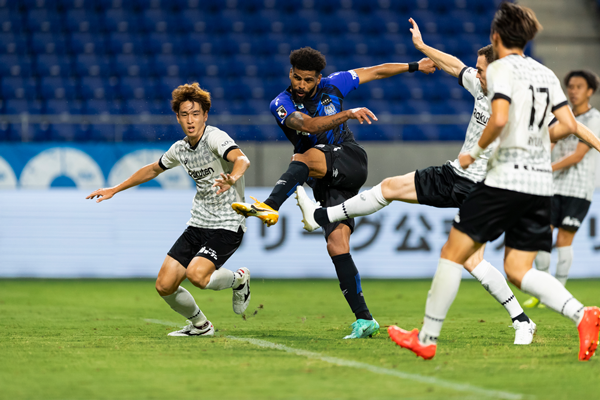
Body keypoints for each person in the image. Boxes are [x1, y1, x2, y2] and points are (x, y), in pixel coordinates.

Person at [295, 19, 535, 344]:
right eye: (477, 69)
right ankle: (521, 321)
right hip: (456, 176)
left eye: (481, 69)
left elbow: (558, 127)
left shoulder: (518, 100)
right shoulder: (481, 86)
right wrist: (422, 50)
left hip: (487, 186)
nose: (475, 73)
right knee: (391, 187)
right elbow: (455, 66)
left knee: (468, 258)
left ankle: (521, 320)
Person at [386, 2, 600, 361]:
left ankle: (426, 337)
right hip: (540, 185)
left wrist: (474, 152)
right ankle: (584, 315)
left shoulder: (499, 71)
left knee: (453, 253)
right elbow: (571, 125)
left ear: (496, 37)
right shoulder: (545, 74)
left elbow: (498, 119)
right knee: (518, 268)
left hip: (505, 179)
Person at [231, 47, 437, 339]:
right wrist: (348, 113)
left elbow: (376, 70)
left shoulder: (335, 83)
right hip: (325, 179)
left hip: (349, 159)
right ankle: (365, 320)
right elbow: (309, 125)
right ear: (290, 73)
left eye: (308, 80)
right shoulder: (281, 102)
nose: (301, 85)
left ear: (318, 78)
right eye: (297, 78)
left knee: (300, 159)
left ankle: (270, 205)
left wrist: (415, 66)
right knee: (337, 245)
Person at [87, 83, 252, 337]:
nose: (190, 120)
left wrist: (233, 176)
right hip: (198, 223)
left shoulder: (215, 138)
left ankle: (239, 279)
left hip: (228, 222)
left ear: (205, 115)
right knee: (164, 285)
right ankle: (201, 326)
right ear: (177, 117)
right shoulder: (180, 149)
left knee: (197, 275)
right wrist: (115, 189)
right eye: (184, 114)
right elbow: (153, 169)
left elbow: (241, 159)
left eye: (195, 113)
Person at [524, 70, 600, 308]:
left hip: (579, 189)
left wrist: (546, 166)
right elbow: (549, 142)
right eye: (570, 87)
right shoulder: (562, 118)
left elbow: (578, 155)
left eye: (579, 87)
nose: (573, 91)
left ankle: (558, 293)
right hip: (552, 187)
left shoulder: (593, 119)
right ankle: (543, 292)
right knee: (543, 235)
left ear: (590, 91)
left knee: (564, 239)